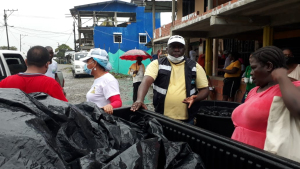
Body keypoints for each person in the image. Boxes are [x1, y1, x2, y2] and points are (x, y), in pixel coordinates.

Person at [231, 46, 300, 149]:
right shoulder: (254, 91)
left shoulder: (292, 87)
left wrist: (282, 77)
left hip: (265, 159)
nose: (251, 73)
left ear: (268, 66)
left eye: (254, 68)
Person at [131, 35, 209, 124]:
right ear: (167, 49)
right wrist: (139, 100)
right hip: (161, 116)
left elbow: (205, 89)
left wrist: (196, 98)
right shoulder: (156, 64)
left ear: (184, 49)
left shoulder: (195, 66)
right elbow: (145, 82)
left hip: (187, 119)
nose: (176, 49)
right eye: (173, 46)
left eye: (180, 47)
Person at [0, 46, 68, 102]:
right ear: (47, 64)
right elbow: (66, 110)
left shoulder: (5, 82)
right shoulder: (51, 84)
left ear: (26, 62)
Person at [81, 49, 122, 114]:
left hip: (102, 120)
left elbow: (118, 102)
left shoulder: (108, 80)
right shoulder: (98, 79)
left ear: (95, 63)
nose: (86, 65)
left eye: (88, 61)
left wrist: (110, 106)